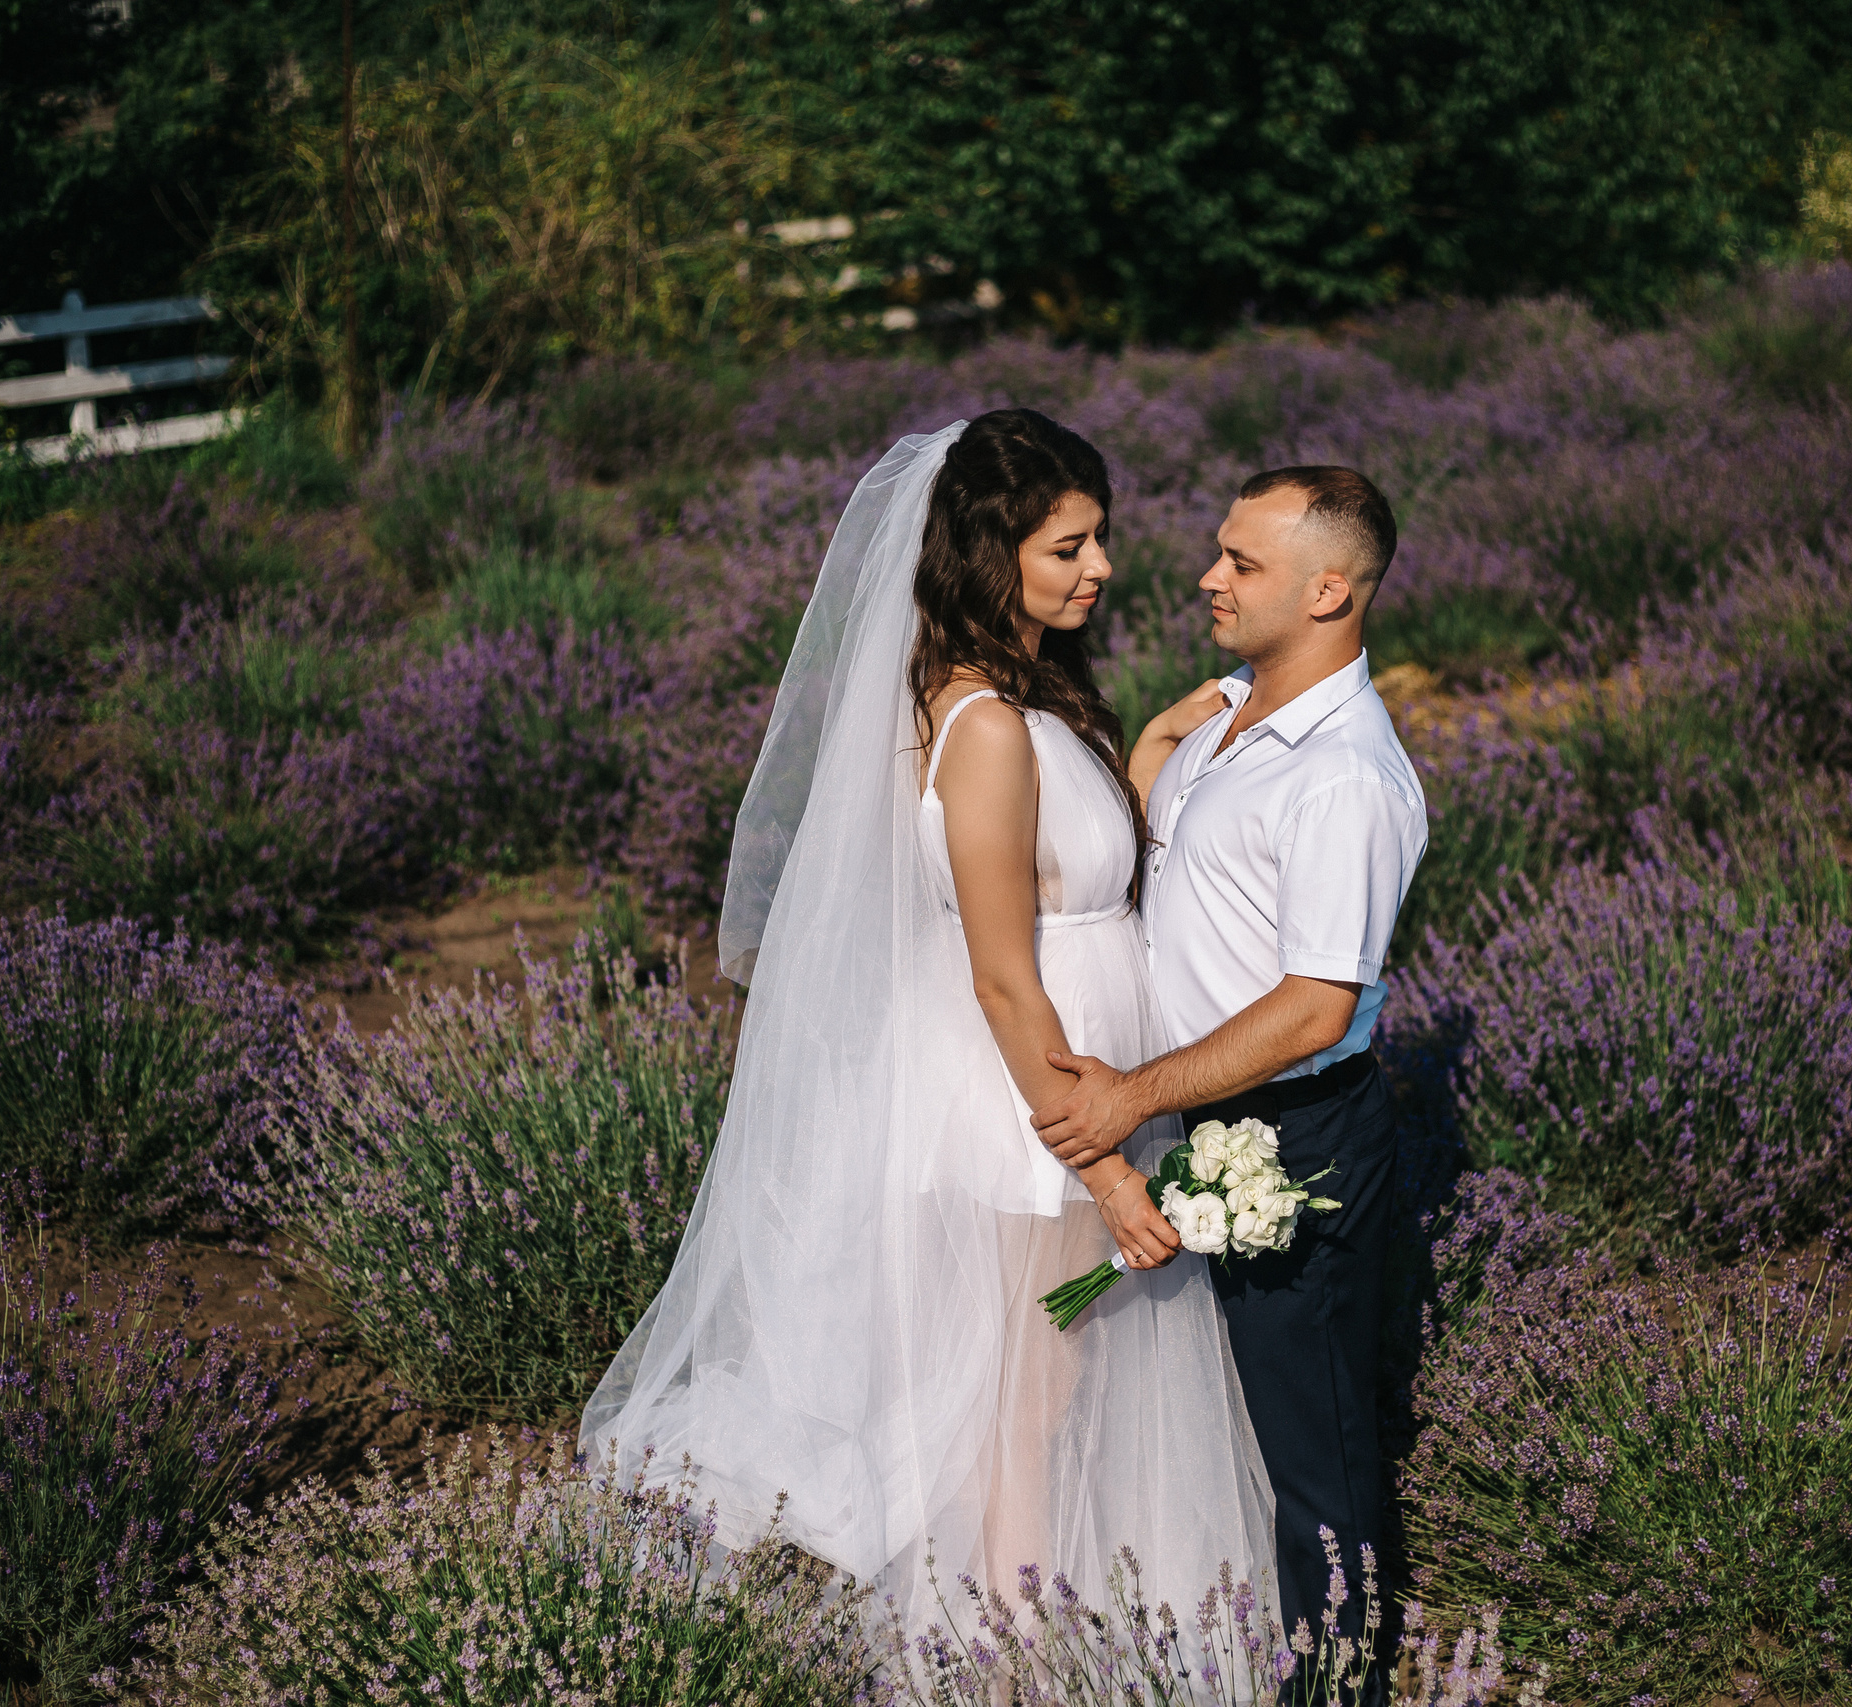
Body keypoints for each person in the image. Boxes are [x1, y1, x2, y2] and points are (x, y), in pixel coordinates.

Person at [581, 411, 1275, 1641]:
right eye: (1067, 546)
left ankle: (1010, 1623)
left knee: (1037, 1386)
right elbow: (1006, 979)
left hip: (1060, 1097)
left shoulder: (1022, 701)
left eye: (1099, 537)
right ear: (986, 553)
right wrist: (1107, 1167)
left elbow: (1075, 860)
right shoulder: (990, 727)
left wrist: (1158, 742)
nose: (1100, 566)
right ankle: (1003, 1643)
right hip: (1031, 1112)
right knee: (1027, 1399)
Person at [1030, 465, 1429, 1654]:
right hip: (1185, 1119)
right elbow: (1171, 885)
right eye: (1218, 550)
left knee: (1317, 1458)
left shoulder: (1344, 775)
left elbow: (1314, 1007)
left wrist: (1130, 1097)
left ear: (1329, 592)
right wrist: (1150, 746)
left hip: (1289, 1136)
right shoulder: (1227, 714)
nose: (1207, 575)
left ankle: (1339, 1683)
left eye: (1241, 563)